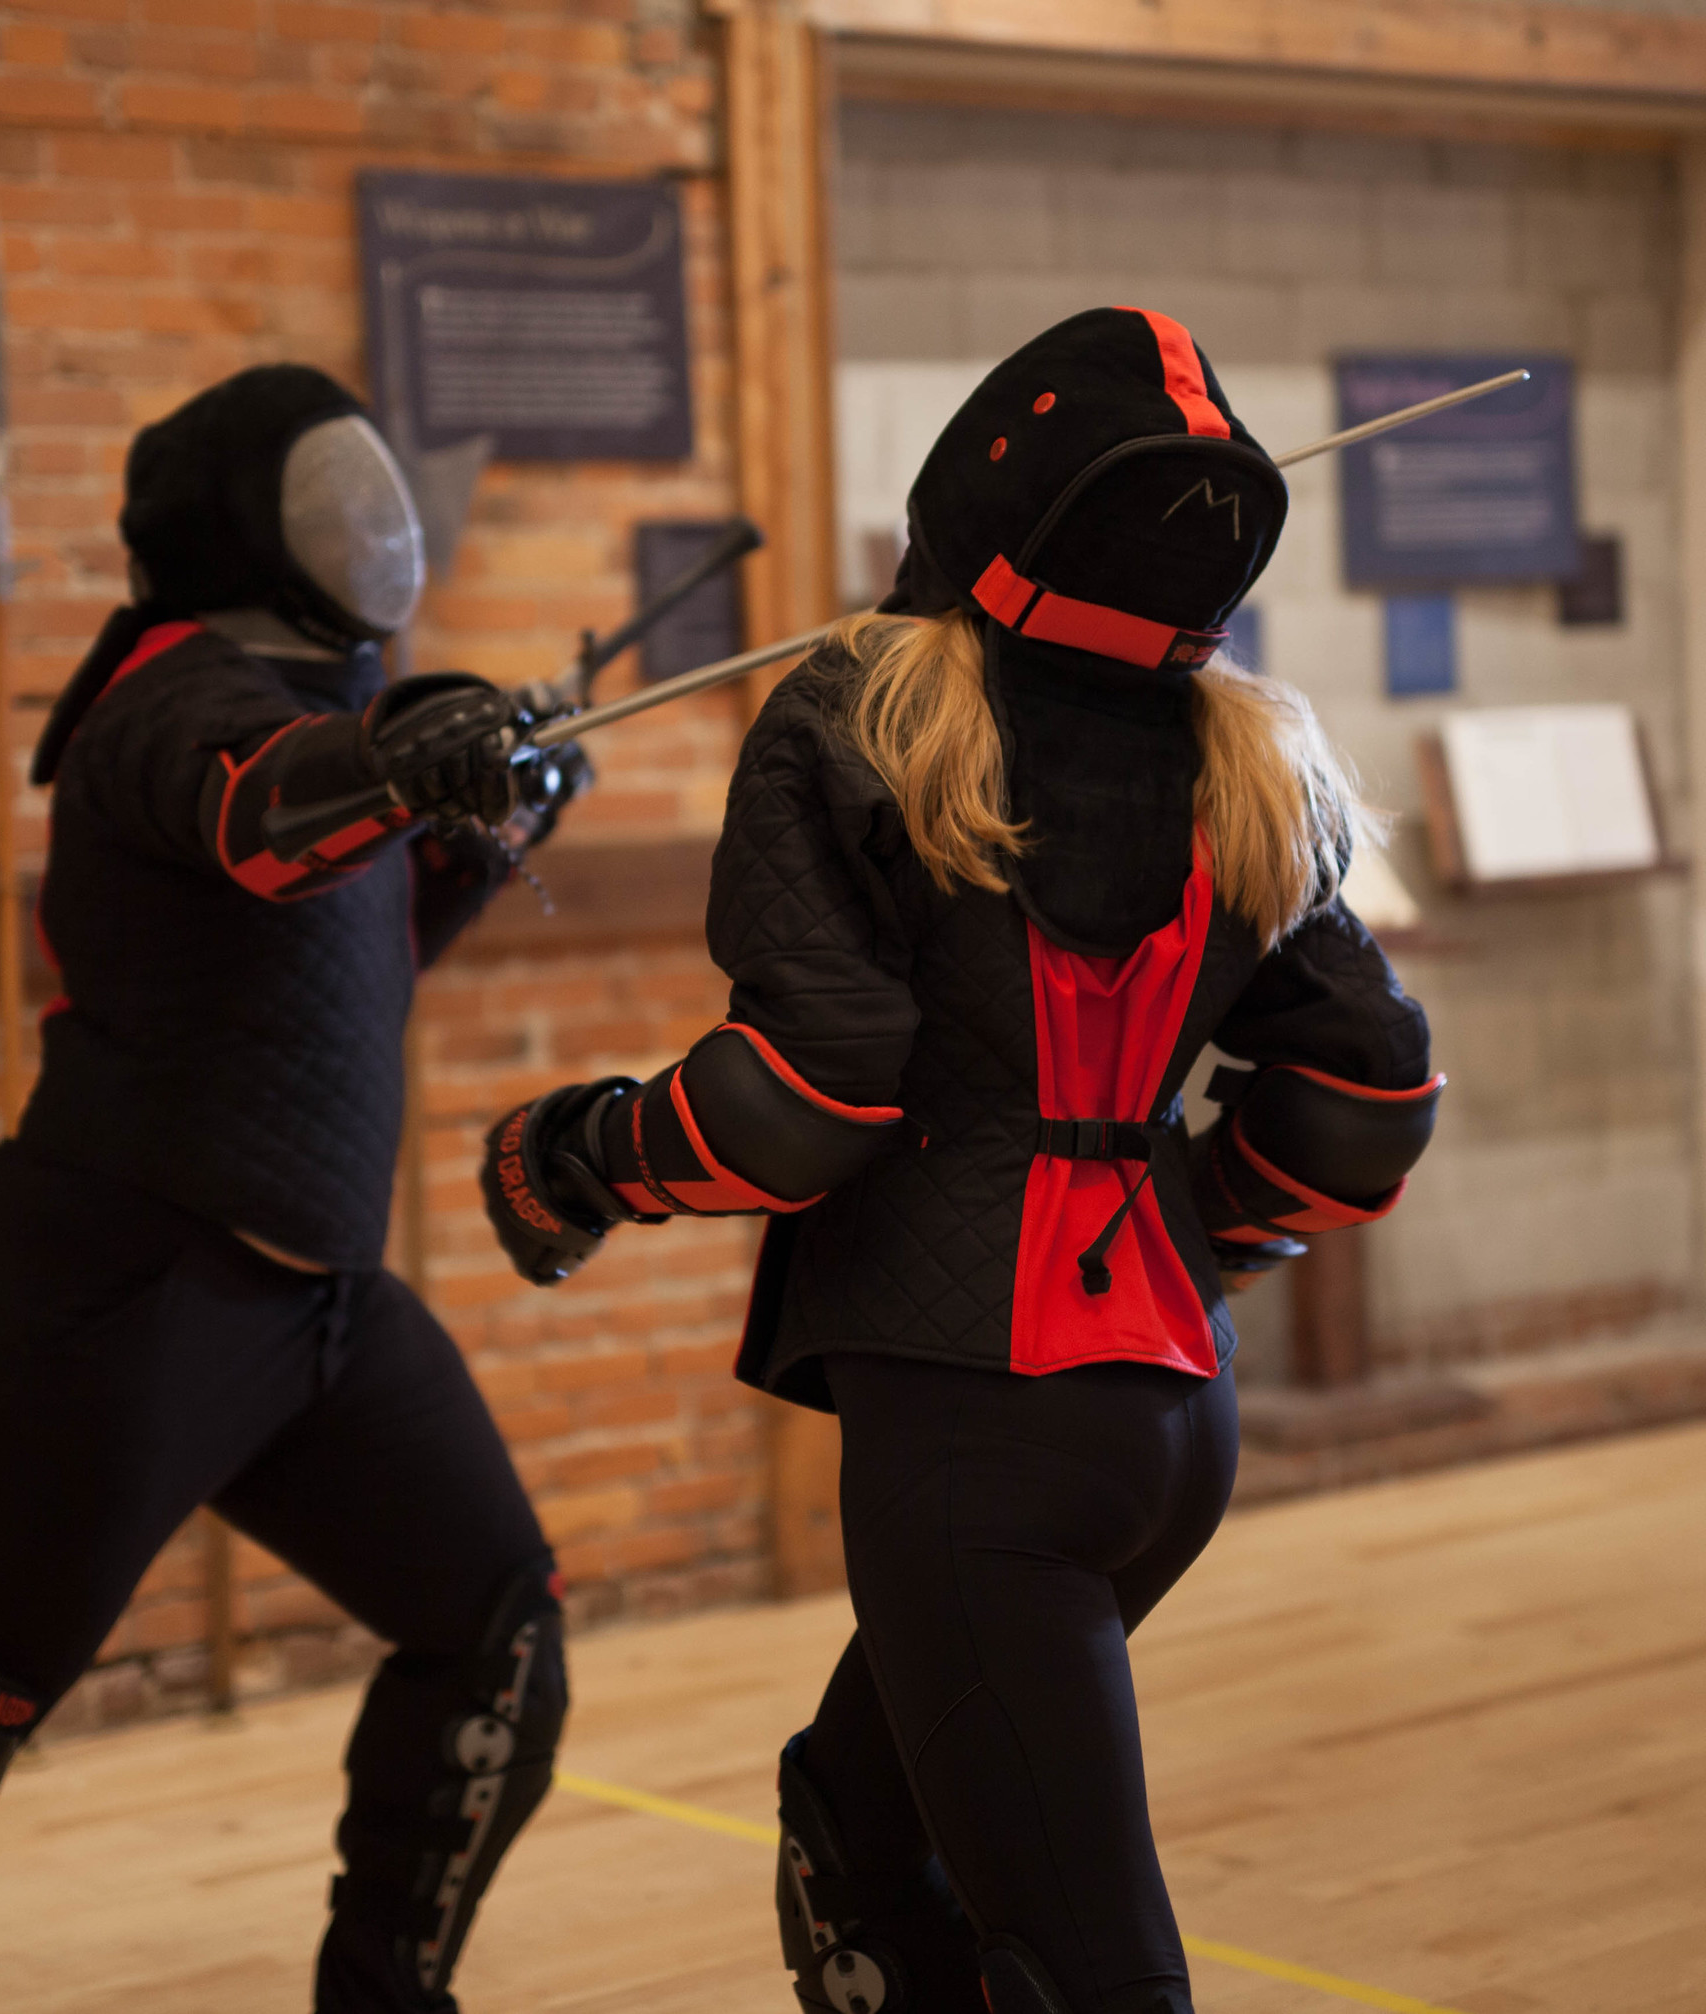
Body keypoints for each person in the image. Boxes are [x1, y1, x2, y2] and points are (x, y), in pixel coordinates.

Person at [479, 307, 1442, 2014]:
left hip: (977, 1435)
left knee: (1085, 1973)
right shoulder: (1250, 753)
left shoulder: (855, 714)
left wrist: (580, 1155)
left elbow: (808, 1099)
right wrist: (1197, 1223)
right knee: (860, 1833)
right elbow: (1368, 1095)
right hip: (1173, 1425)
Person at [0, 366, 583, 2014]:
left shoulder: (333, 718)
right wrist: (401, 767)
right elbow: (258, 815)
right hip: (109, 1287)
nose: (375, 522)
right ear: (248, 527)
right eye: (330, 488)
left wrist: (480, 820)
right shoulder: (171, 696)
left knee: (497, 1629)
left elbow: (346, 955)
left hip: (312, 1301)